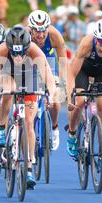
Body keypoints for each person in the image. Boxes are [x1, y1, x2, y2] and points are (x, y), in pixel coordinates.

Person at [0, 25, 57, 189]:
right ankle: (0, 127)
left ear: (27, 47)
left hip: (28, 75)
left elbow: (48, 77)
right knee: (8, 90)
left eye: (21, 52)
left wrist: (52, 95)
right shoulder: (1, 50)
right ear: (9, 48)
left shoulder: (34, 50)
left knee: (28, 123)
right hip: (8, 73)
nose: (18, 56)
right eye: (14, 52)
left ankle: (29, 167)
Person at [66, 18, 102, 172]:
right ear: (95, 39)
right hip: (83, 71)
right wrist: (70, 95)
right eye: (101, 41)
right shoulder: (86, 44)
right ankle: (72, 134)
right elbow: (72, 73)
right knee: (78, 103)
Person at [28, 10, 68, 150]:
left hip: (49, 61)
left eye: (44, 30)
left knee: (55, 96)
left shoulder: (55, 35)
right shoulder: (24, 36)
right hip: (30, 61)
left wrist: (63, 82)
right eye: (37, 31)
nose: (41, 35)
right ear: (30, 30)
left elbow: (63, 61)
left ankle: (55, 127)